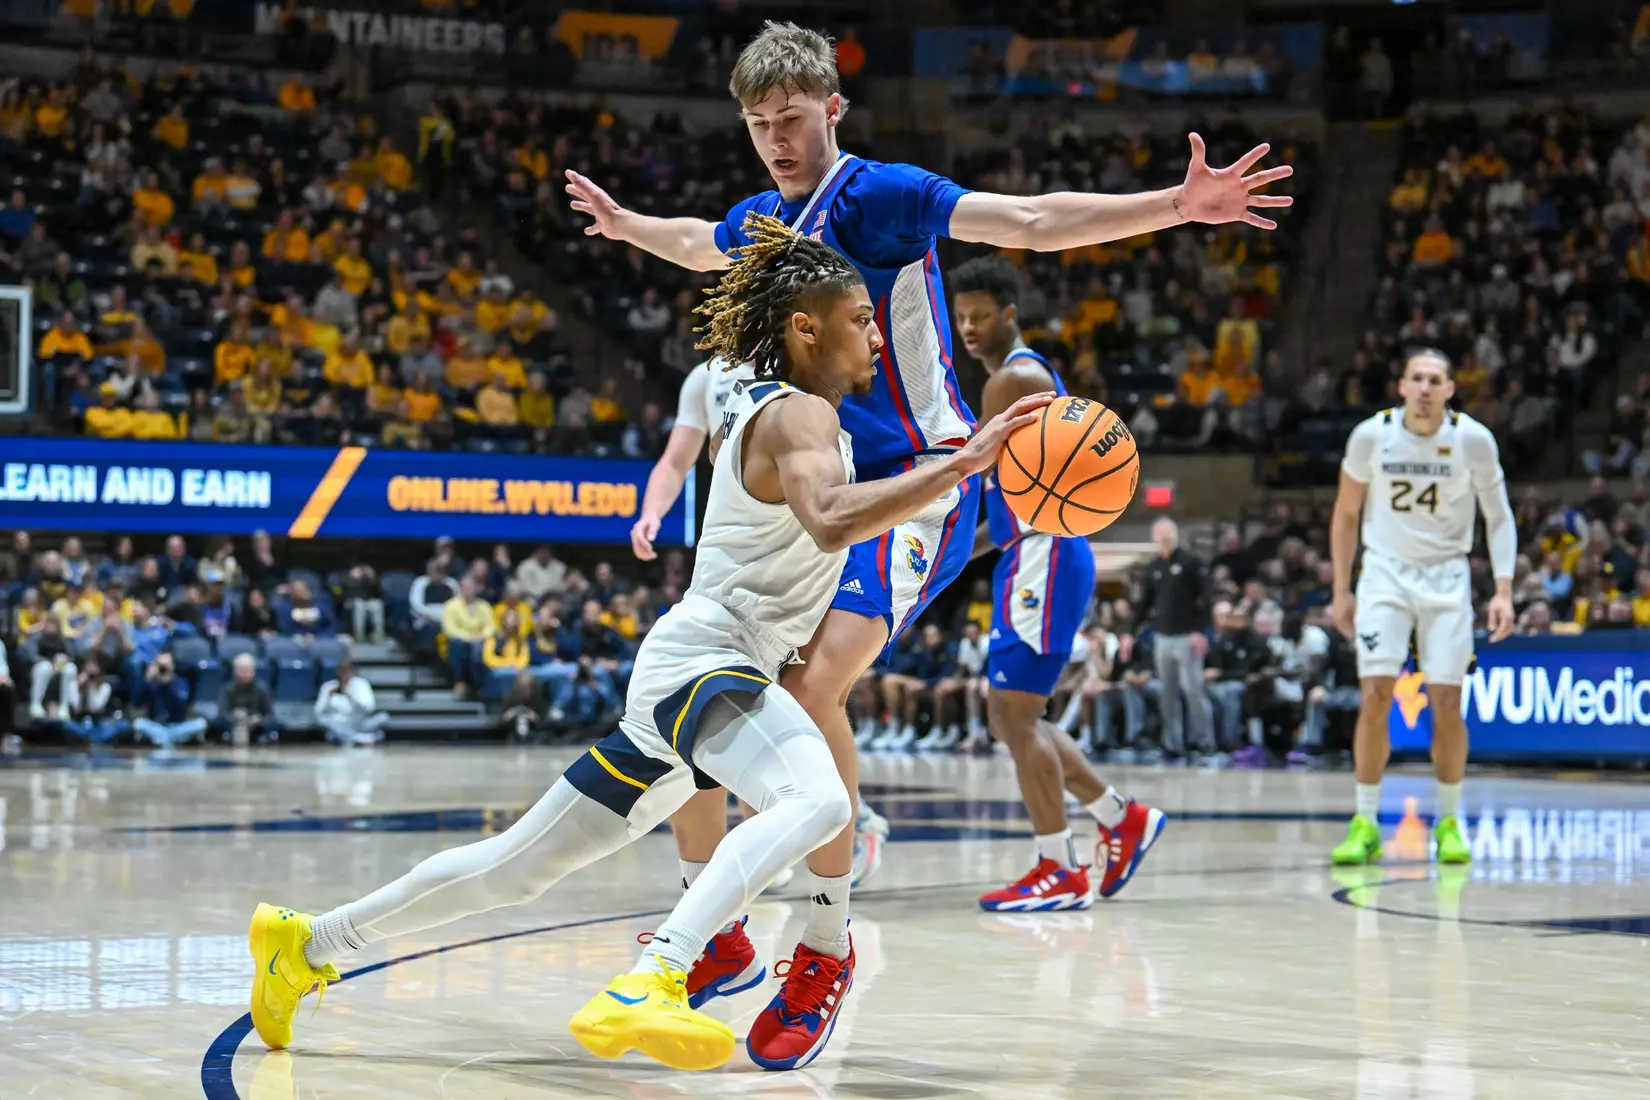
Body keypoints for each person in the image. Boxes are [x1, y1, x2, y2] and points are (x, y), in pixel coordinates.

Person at [244, 216, 1046, 1073]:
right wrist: (966, 464)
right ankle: (656, 974)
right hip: (712, 662)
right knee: (817, 802)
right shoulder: (801, 417)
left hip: (684, 672)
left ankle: (306, 942)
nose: (875, 332)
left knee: (511, 868)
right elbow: (831, 519)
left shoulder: (793, 407)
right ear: (804, 329)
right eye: (858, 316)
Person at [565, 21, 1288, 916]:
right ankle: (790, 865)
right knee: (731, 682)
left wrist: (1177, 207)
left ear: (834, 108)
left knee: (811, 683)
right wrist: (626, 225)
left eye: (791, 118)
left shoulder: (880, 195)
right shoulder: (762, 220)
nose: (777, 140)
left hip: (921, 479)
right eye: (758, 124)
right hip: (823, 488)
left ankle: (836, 881)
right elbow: (698, 244)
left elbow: (1027, 221)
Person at [951, 255, 1164, 910]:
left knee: (1012, 717)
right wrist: (962, 553)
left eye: (981, 315)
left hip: (1043, 554)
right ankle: (1119, 817)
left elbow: (996, 489)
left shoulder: (1009, 381)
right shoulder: (1031, 371)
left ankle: (1059, 868)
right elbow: (1011, 503)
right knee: (1021, 714)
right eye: (961, 316)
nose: (968, 327)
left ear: (1009, 314)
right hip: (1038, 550)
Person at [1329, 349, 1516, 865]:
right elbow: (1345, 514)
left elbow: (1498, 518)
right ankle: (1365, 821)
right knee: (1374, 696)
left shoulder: (1472, 440)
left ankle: (1450, 821)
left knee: (1448, 703)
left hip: (1447, 576)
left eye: (1436, 380)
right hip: (1385, 574)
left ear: (1450, 389)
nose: (1426, 388)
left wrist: (1503, 589)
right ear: (1402, 386)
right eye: (1418, 379)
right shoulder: (1372, 435)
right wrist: (1341, 589)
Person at [1137, 517, 1216, 760]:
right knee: (1167, 693)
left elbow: (1206, 598)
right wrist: (1130, 631)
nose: (1164, 538)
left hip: (1187, 636)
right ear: (1154, 538)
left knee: (1193, 691)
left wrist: (1201, 630)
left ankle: (1204, 742)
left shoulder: (1191, 562)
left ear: (1176, 535)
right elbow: (1144, 603)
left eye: (1168, 534)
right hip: (1163, 637)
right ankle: (1172, 743)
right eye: (1160, 534)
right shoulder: (1153, 568)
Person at [132, 652, 207, 748]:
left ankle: (163, 739)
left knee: (201, 723)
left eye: (166, 666)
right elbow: (137, 702)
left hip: (178, 727)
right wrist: (147, 680)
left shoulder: (180, 683)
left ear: (172, 666)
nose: (163, 669)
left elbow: (182, 703)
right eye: (160, 666)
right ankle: (168, 739)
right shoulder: (152, 684)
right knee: (139, 723)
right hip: (157, 726)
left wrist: (169, 684)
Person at [314, 660, 389, 746]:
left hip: (360, 722)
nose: (344, 674)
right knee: (324, 721)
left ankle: (345, 738)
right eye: (342, 671)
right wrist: (328, 697)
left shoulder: (361, 684)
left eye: (347, 671)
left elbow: (369, 708)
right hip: (339, 723)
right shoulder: (328, 686)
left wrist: (351, 696)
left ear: (353, 671)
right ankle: (363, 738)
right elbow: (318, 711)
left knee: (383, 717)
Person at [218, 653, 277, 744]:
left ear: (253, 671)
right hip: (233, 728)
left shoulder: (263, 689)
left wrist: (259, 720)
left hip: (257, 729)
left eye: (247, 670)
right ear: (235, 671)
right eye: (241, 670)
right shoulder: (227, 690)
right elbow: (222, 714)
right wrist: (234, 718)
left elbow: (270, 715)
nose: (244, 674)